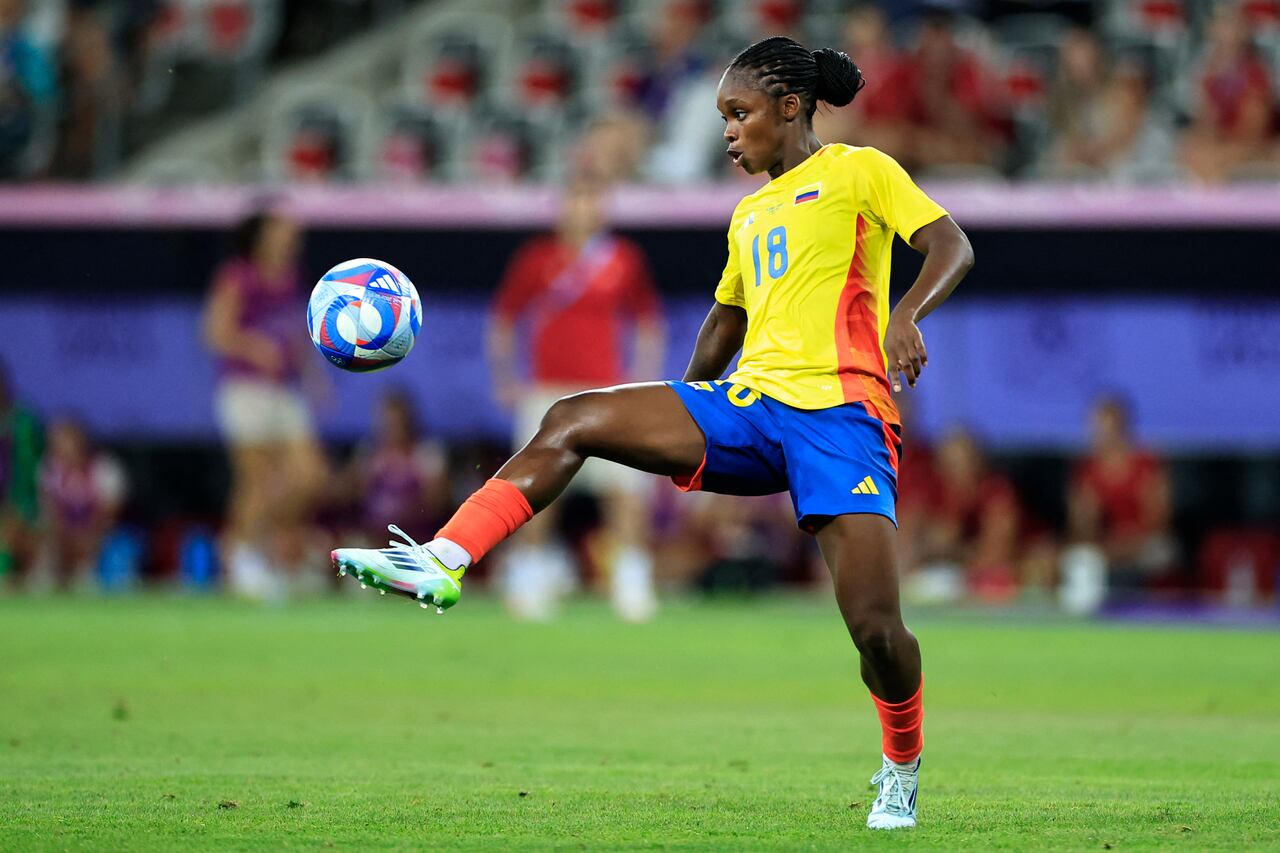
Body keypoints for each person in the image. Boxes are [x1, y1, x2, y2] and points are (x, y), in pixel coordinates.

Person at [332, 36, 974, 831]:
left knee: (876, 628)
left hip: (843, 417)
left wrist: (904, 313)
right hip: (749, 404)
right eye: (721, 119)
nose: (729, 133)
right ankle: (441, 558)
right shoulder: (750, 214)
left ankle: (901, 766)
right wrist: (681, 407)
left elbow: (951, 243)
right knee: (573, 417)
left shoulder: (859, 170)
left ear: (789, 106)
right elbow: (724, 321)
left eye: (738, 115)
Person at [488, 177, 665, 622]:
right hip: (547, 392)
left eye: (592, 199)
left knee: (624, 490)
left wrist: (642, 376)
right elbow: (505, 319)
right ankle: (529, 579)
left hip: (603, 391)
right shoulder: (537, 258)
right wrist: (506, 377)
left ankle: (630, 580)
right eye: (577, 198)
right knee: (535, 491)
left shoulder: (623, 258)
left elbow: (648, 321)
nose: (584, 208)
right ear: (562, 207)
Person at [202, 207, 329, 599]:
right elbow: (215, 332)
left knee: (311, 475)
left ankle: (259, 542)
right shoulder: (238, 275)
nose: (291, 234)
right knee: (256, 481)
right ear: (261, 235)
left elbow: (295, 332)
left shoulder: (292, 277)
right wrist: (254, 347)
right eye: (281, 228)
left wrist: (314, 377)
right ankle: (242, 557)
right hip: (245, 388)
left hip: (284, 390)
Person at [33, 418, 126, 591]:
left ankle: (87, 578)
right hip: (64, 534)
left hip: (98, 533)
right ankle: (45, 583)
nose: (63, 449)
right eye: (58, 444)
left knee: (95, 544)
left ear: (81, 443)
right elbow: (49, 510)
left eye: (68, 443)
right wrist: (64, 534)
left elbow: (110, 513)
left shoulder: (104, 469)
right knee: (47, 540)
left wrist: (89, 535)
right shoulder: (49, 469)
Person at [0, 357, 42, 586]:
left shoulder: (23, 422)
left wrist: (19, 506)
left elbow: (28, 471)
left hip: (23, 503)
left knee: (12, 531)